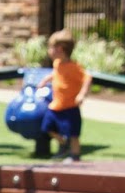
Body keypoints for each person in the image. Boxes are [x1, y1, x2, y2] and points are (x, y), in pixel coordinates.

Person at [38, 28, 91, 163]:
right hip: (56, 105)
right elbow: (56, 74)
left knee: (73, 134)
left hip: (70, 106)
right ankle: (63, 144)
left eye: (51, 48)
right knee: (47, 127)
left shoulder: (74, 67)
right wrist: (45, 80)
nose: (49, 51)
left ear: (60, 49)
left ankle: (75, 156)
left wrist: (82, 94)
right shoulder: (57, 64)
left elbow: (87, 78)